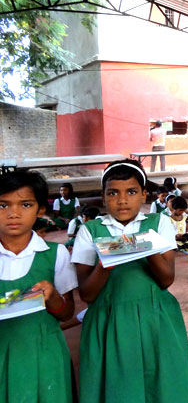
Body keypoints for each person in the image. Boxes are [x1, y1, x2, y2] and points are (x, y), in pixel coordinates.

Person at [71, 159, 188, 403]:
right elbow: (86, 294)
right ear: (103, 197)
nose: (122, 200)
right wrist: (105, 264)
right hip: (109, 320)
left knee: (162, 385)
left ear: (143, 195)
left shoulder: (158, 223)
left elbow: (165, 280)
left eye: (131, 192)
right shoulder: (90, 231)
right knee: (119, 387)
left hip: (155, 317)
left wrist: (146, 246)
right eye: (113, 193)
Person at [0, 171, 77, 402]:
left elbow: (67, 312)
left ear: (40, 210)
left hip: (45, 355)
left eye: (25, 204)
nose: (13, 213)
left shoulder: (55, 254)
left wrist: (53, 298)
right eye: (3, 205)